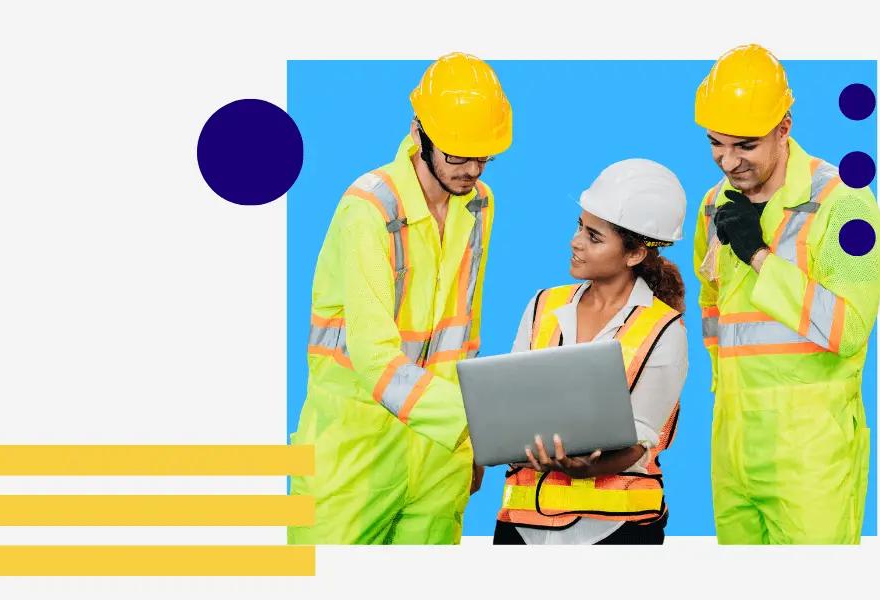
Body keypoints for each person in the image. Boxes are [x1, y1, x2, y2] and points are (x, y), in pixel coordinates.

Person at [288, 53, 511, 544]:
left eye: (485, 156)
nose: (472, 169)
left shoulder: (478, 204)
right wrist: (476, 424)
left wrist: (465, 447)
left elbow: (465, 328)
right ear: (418, 133)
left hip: (437, 458)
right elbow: (374, 359)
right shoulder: (368, 208)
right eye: (457, 155)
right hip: (356, 451)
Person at [692, 44, 880, 544]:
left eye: (745, 145)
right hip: (733, 443)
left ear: (784, 127)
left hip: (810, 456)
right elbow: (712, 305)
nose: (727, 161)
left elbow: (848, 329)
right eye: (716, 144)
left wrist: (759, 256)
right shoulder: (715, 205)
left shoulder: (845, 205)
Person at [493, 159, 689, 545]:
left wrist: (586, 468)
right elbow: (507, 403)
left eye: (594, 237)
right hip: (522, 525)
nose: (576, 241)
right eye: (580, 227)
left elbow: (640, 441)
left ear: (633, 255)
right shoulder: (543, 305)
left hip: (614, 530)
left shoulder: (664, 330)